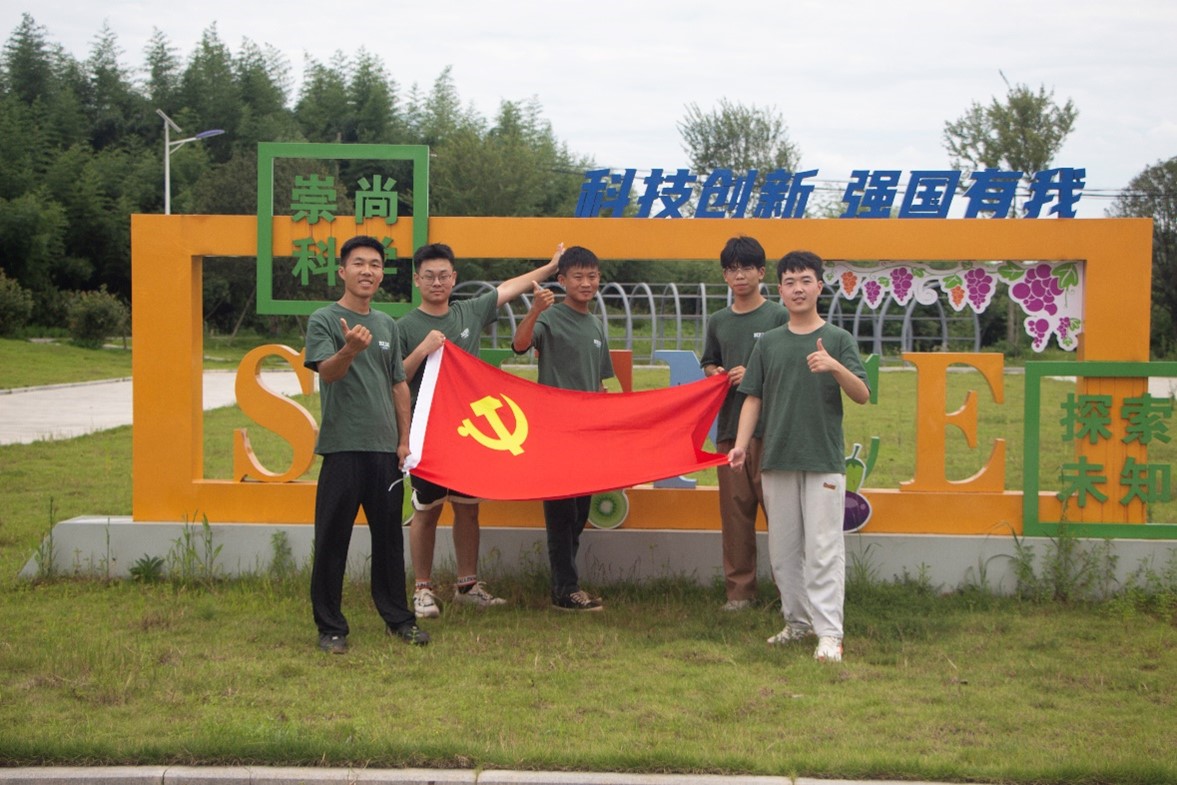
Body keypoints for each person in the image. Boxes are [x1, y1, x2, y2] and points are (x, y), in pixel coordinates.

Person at [399, 242, 564, 619]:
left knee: (468, 509)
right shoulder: (405, 327)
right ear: (417, 280)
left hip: (470, 432)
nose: (437, 282)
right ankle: (422, 590)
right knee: (426, 510)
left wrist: (550, 266)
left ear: (453, 278)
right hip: (428, 435)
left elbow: (509, 288)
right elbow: (397, 379)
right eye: (429, 276)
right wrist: (423, 350)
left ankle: (467, 586)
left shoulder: (468, 311)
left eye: (444, 275)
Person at [728, 250, 869, 663]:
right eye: (789, 282)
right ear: (780, 289)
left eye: (805, 280)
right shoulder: (769, 343)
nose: (798, 289)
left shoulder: (838, 339)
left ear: (819, 286)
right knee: (784, 550)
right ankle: (797, 622)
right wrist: (741, 444)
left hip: (823, 459)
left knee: (824, 548)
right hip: (777, 457)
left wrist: (834, 367)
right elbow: (753, 398)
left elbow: (862, 394)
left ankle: (830, 633)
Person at [304, 235, 429, 653]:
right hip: (342, 447)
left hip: (384, 452)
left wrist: (404, 439)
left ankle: (399, 620)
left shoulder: (387, 325)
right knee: (332, 540)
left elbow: (398, 384)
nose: (367, 271)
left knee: (389, 540)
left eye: (375, 265)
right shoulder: (324, 319)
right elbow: (328, 373)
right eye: (359, 263)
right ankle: (331, 628)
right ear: (343, 271)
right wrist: (349, 350)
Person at [511, 245, 614, 612]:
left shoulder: (597, 325)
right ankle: (565, 588)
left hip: (587, 432)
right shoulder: (551, 317)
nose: (586, 283)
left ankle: (565, 584)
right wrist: (535, 310)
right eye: (578, 276)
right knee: (561, 512)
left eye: (592, 276)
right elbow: (520, 344)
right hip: (554, 430)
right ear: (562, 280)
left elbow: (600, 382)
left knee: (580, 512)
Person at [701, 236, 790, 613]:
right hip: (729, 431)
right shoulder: (718, 321)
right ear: (725, 275)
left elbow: (790, 366)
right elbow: (708, 361)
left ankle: (792, 594)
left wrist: (753, 373)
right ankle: (740, 593)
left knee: (783, 517)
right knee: (735, 516)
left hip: (773, 431)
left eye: (747, 268)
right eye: (732, 269)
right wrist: (716, 373)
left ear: (761, 272)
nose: (740, 276)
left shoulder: (779, 316)